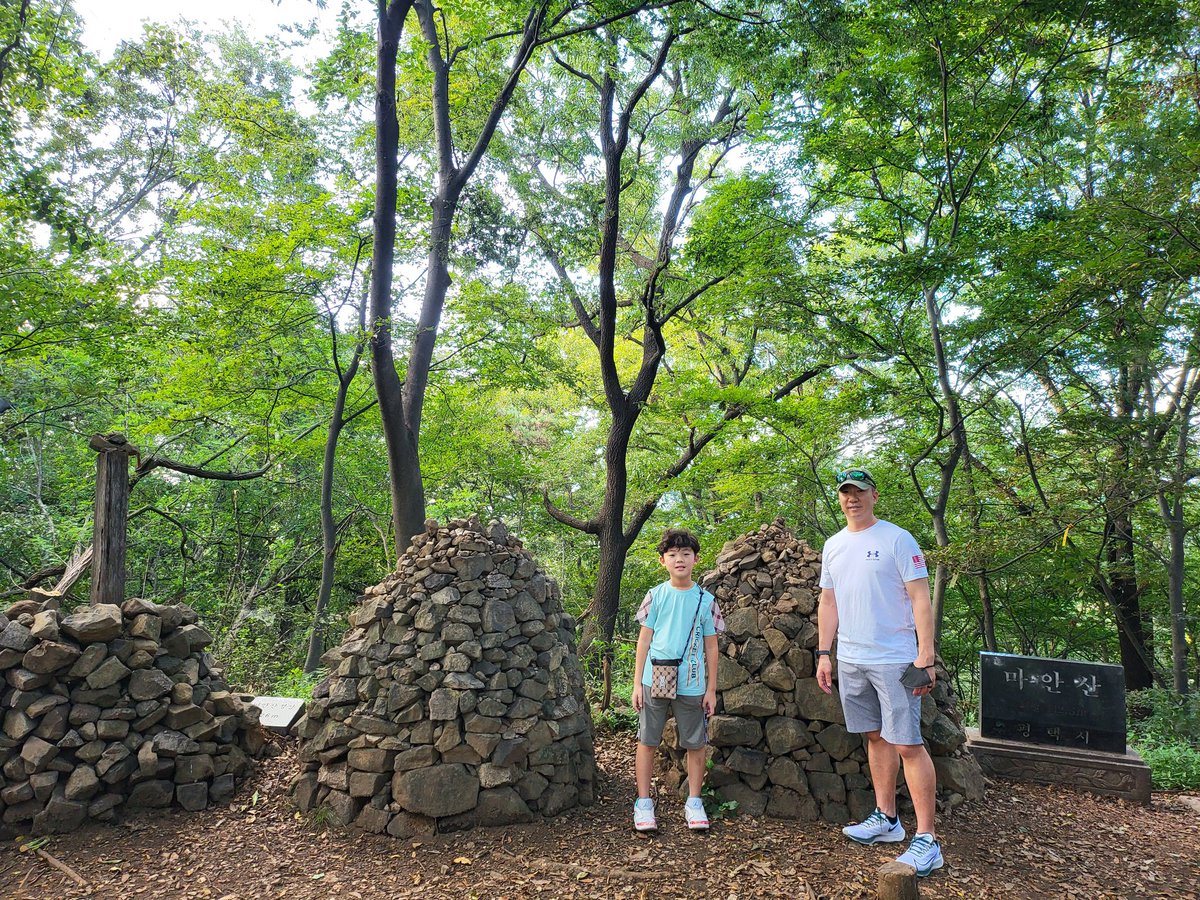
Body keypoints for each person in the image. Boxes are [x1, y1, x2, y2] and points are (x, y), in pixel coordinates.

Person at [816, 467, 944, 876]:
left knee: (907, 742)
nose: (852, 498)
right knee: (875, 736)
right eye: (845, 493)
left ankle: (927, 840)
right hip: (852, 657)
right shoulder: (833, 545)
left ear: (874, 495)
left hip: (895, 657)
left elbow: (920, 598)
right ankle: (887, 819)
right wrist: (824, 653)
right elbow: (828, 603)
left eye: (859, 491)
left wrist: (925, 656)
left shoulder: (897, 538)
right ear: (839, 498)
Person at [630, 527, 724, 832]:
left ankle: (694, 801)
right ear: (663, 561)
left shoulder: (705, 600)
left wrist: (711, 688)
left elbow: (712, 645)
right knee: (648, 740)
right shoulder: (655, 596)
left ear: (696, 559)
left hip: (692, 681)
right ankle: (643, 803)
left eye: (685, 554)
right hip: (653, 678)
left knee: (695, 743)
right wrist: (635, 684)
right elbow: (644, 641)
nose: (679, 559)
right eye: (672, 555)